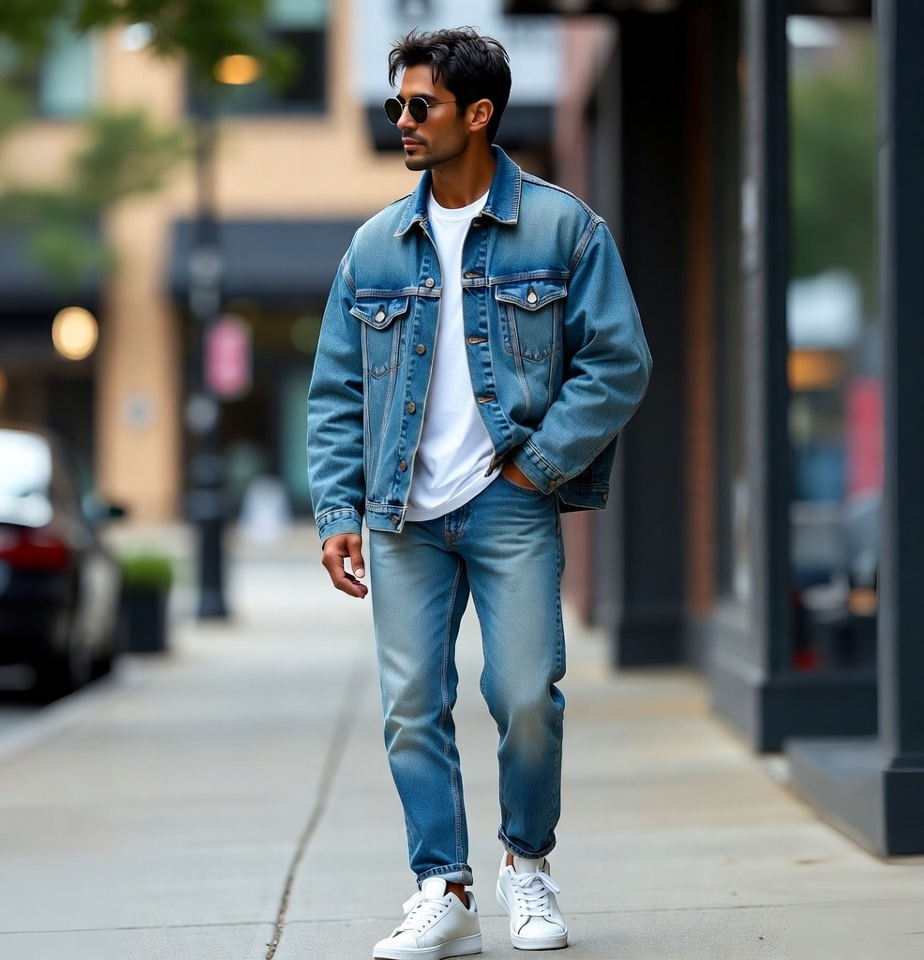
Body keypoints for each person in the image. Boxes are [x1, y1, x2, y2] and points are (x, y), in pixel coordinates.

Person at [307, 27, 651, 959]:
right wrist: (339, 512)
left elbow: (619, 362)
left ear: (479, 113)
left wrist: (537, 465)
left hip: (509, 500)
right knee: (412, 703)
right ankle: (442, 887)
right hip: (403, 517)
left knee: (526, 691)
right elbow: (337, 391)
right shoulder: (376, 246)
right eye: (396, 107)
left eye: (421, 105)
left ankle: (525, 866)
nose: (404, 122)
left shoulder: (562, 228)